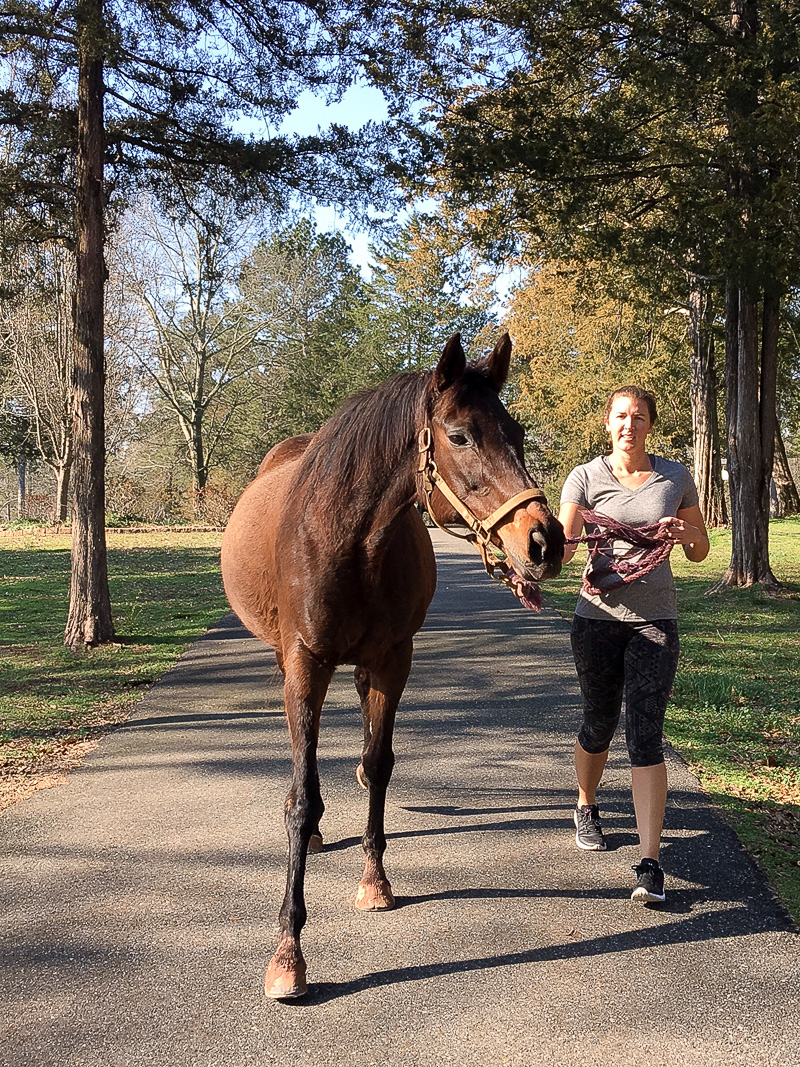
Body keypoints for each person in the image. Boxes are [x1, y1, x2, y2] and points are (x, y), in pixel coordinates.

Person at [558, 385, 709, 904]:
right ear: (607, 423)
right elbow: (561, 543)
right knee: (599, 721)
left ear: (650, 425)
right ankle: (585, 803)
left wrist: (679, 532)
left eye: (639, 417)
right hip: (596, 617)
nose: (629, 424)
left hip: (655, 621)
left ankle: (650, 863)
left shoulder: (675, 477)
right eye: (621, 416)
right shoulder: (584, 477)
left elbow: (699, 549)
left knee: (645, 735)